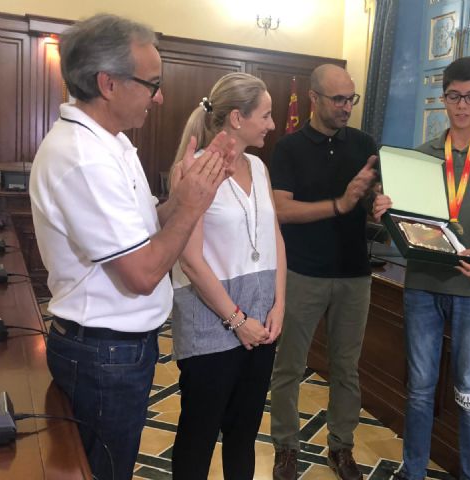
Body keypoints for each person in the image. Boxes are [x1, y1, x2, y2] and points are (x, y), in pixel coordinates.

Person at [29, 14, 233, 480]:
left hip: (116, 350)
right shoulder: (85, 158)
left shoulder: (112, 144)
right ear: (108, 84)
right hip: (104, 354)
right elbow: (141, 275)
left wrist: (179, 202)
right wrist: (189, 208)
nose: (159, 96)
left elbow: (142, 234)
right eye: (152, 83)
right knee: (104, 471)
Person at [373, 56, 470, 480]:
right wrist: (385, 209)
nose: (462, 106)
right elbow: (404, 226)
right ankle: (413, 471)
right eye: (455, 97)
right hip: (422, 283)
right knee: (420, 390)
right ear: (444, 99)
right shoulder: (421, 157)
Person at [169, 72, 286, 479]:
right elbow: (190, 261)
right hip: (210, 326)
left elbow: (275, 238)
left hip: (261, 323)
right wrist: (238, 321)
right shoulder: (194, 172)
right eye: (267, 115)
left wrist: (280, 305)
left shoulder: (259, 166)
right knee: (198, 437)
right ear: (237, 118)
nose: (272, 124)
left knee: (244, 436)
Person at [269, 64, 378, 480]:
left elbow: (369, 200)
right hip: (303, 273)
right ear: (313, 99)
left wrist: (377, 205)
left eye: (351, 98)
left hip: (354, 274)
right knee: (289, 368)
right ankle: (286, 448)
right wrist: (339, 204)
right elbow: (281, 209)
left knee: (347, 368)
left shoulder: (365, 144)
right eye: (338, 99)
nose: (346, 106)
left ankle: (342, 448)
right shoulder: (289, 148)